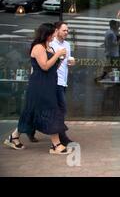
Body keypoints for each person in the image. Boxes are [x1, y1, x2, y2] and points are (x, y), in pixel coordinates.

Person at [3, 23, 71, 154]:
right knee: (51, 110)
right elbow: (44, 66)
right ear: (46, 34)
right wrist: (57, 54)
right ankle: (56, 145)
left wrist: (61, 59)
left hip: (49, 83)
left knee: (31, 112)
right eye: (52, 33)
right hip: (39, 85)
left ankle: (14, 137)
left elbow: (53, 68)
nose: (54, 35)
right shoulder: (38, 47)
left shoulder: (49, 47)